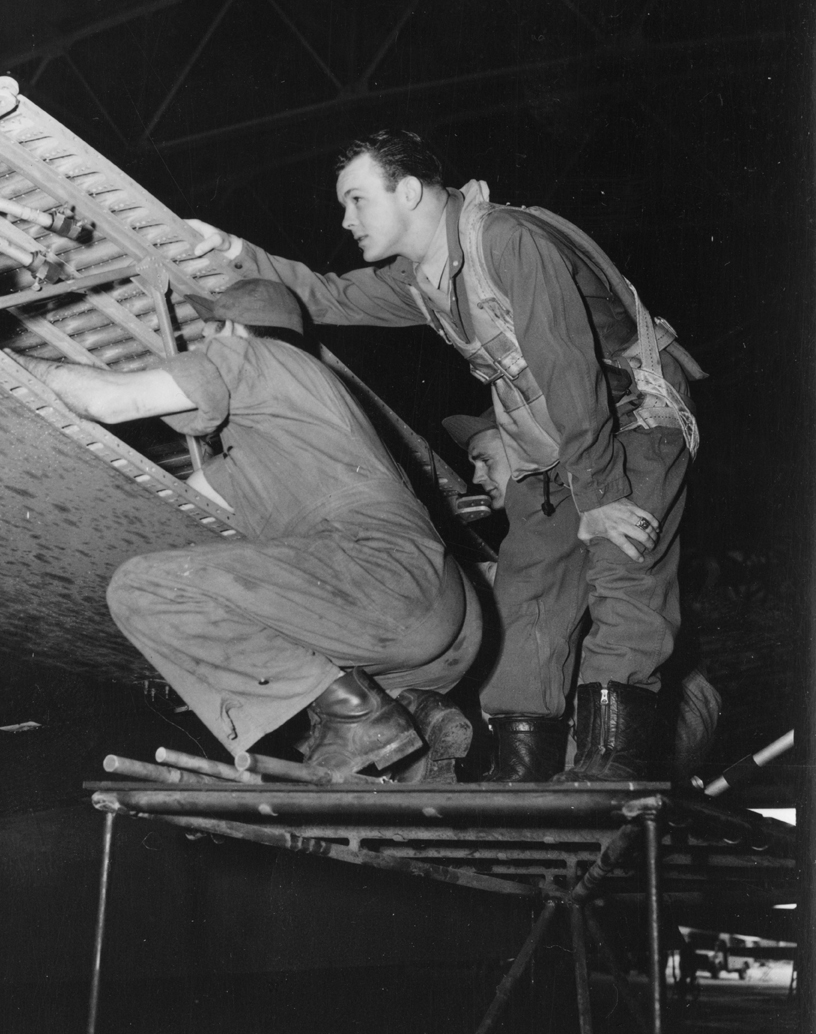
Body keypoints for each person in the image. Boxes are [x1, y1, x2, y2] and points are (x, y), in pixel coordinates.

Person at [187, 129, 703, 782]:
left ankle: (610, 767)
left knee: (623, 568)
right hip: (554, 449)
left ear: (407, 191)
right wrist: (236, 254)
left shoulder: (509, 243)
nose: (345, 221)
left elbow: (570, 369)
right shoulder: (423, 278)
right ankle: (522, 771)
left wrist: (600, 500)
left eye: (356, 200)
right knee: (527, 597)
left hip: (630, 423)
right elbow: (327, 297)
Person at [11, 278, 482, 781]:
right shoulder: (277, 437)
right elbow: (186, 507)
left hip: (380, 580)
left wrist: (21, 366)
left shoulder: (258, 357)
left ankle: (360, 718)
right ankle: (416, 717)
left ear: (232, 328)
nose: (205, 343)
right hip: (441, 622)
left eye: (210, 329)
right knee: (289, 669)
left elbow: (109, 402)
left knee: (140, 589)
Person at [444, 410, 720, 782]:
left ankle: (601, 761)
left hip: (670, 707)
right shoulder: (543, 516)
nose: (477, 477)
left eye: (484, 459)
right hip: (613, 709)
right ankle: (529, 768)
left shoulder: (602, 487)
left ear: (519, 439)